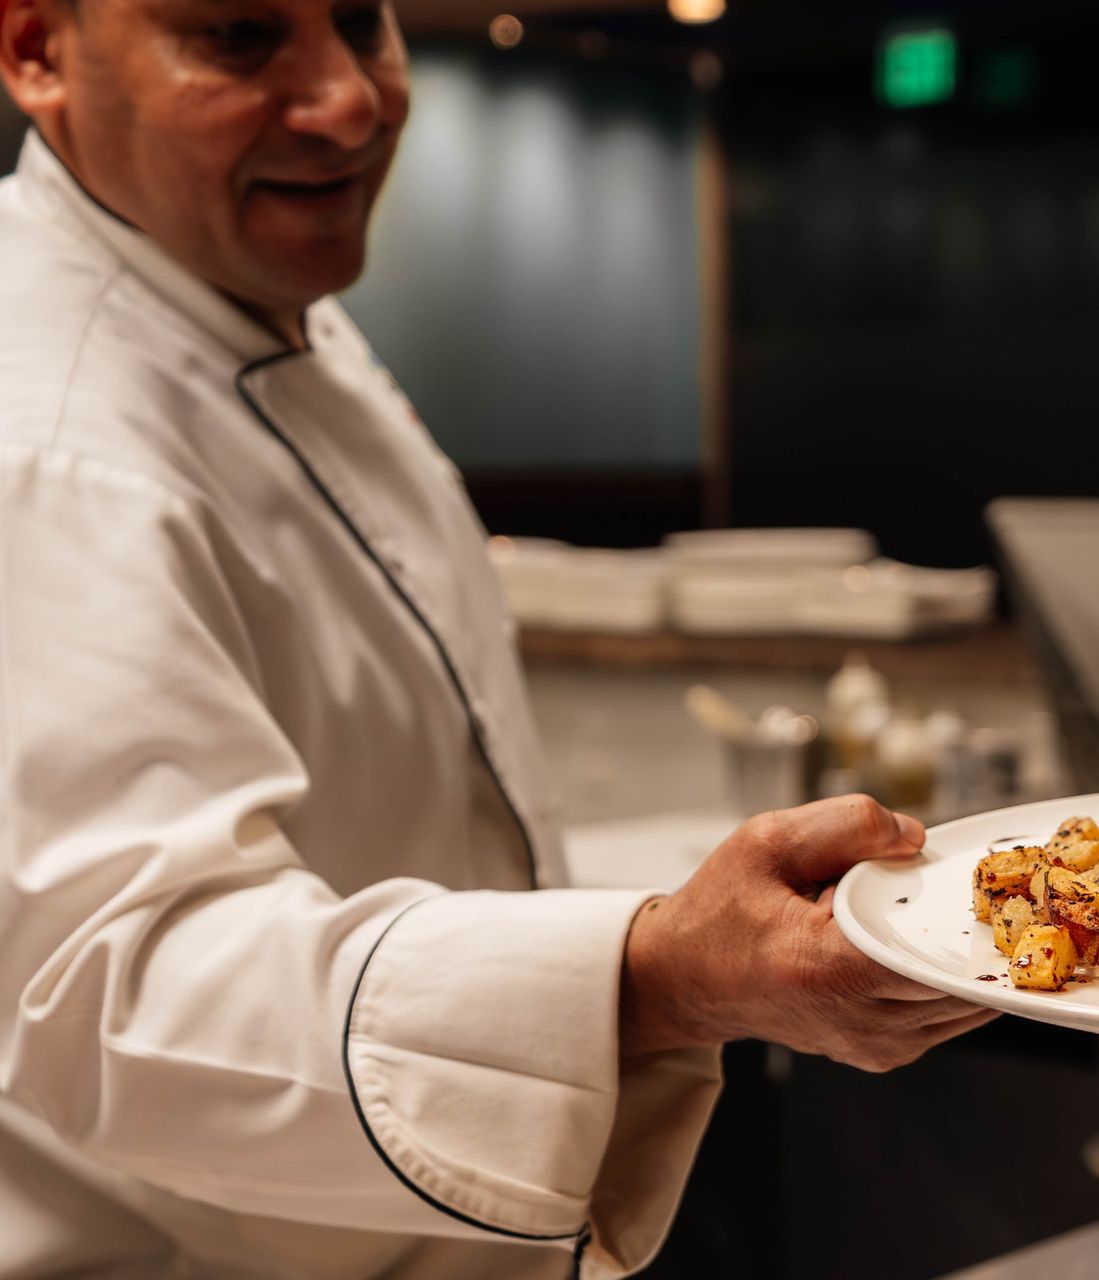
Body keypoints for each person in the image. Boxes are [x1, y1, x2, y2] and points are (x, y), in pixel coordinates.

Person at [0, 1, 994, 1275]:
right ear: (38, 51)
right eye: (242, 36)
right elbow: (117, 992)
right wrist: (658, 976)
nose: (351, 100)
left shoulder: (253, 303)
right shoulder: (49, 434)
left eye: (361, 21)